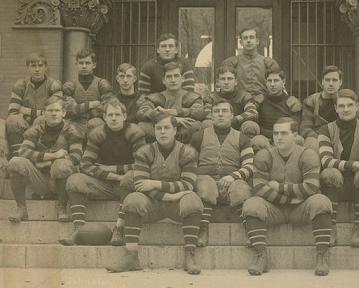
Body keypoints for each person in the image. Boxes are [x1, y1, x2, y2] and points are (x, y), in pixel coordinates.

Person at [105, 112, 203, 274]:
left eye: (166, 128)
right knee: (133, 199)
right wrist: (169, 195)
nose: (162, 132)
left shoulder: (187, 152)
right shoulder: (145, 151)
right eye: (159, 128)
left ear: (175, 130)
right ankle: (131, 256)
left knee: (192, 201)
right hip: (153, 205)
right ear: (154, 130)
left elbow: (188, 184)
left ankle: (189, 255)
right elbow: (141, 185)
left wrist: (155, 183)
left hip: (177, 206)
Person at [242, 117, 332, 276]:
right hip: (275, 209)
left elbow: (311, 188)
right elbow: (259, 188)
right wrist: (290, 198)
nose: (278, 137)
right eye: (276, 133)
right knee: (252, 204)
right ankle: (261, 256)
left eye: (284, 133)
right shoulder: (264, 155)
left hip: (301, 209)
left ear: (295, 135)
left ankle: (322, 256)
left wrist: (279, 187)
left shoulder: (308, 154)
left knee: (321, 201)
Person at [59, 99, 146, 246]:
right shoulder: (97, 134)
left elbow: (142, 165)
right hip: (104, 183)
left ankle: (119, 228)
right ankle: (79, 229)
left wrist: (109, 169)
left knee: (131, 177)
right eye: (110, 115)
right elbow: (85, 164)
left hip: (126, 186)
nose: (113, 118)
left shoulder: (135, 132)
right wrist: (113, 175)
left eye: (117, 115)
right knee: (75, 180)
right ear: (104, 117)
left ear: (124, 116)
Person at [318, 89, 359, 248]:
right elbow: (326, 160)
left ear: (357, 106)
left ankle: (358, 229)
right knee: (329, 172)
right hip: (335, 186)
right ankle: (331, 229)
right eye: (342, 106)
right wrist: (356, 164)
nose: (346, 109)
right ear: (336, 108)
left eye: (350, 105)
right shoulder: (325, 130)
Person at [8, 96, 83, 223]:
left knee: (62, 164)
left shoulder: (71, 131)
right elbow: (23, 152)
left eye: (57, 110)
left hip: (62, 181)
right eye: (50, 110)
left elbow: (76, 157)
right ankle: (21, 208)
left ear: (63, 113)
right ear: (43, 113)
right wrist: (52, 156)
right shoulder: (36, 130)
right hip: (40, 179)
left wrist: (48, 163)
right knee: (15, 162)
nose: (54, 113)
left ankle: (62, 207)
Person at [190, 98, 254, 247]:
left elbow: (250, 166)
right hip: (205, 183)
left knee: (242, 188)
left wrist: (233, 177)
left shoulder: (242, 138)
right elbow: (189, 164)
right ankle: (203, 230)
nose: (220, 114)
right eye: (216, 111)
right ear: (211, 115)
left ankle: (249, 231)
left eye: (224, 111)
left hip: (231, 184)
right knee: (205, 184)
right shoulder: (198, 136)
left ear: (231, 115)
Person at [6, 52, 63, 158]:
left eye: (40, 65)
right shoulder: (20, 85)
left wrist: (25, 111)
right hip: (25, 125)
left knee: (42, 119)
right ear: (28, 68)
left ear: (46, 67)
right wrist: (39, 112)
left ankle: (39, 155)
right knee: (13, 120)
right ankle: (17, 155)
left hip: (45, 127)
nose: (37, 69)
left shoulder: (54, 85)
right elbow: (12, 113)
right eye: (33, 66)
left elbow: (54, 112)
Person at [137, 62, 203, 143]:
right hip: (160, 134)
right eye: (169, 77)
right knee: (142, 126)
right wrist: (170, 118)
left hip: (184, 136)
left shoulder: (193, 96)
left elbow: (198, 111)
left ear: (182, 78)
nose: (173, 80)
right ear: (163, 80)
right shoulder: (155, 97)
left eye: (176, 76)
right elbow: (142, 112)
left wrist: (174, 112)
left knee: (195, 125)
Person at [63, 49, 115, 138]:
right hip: (75, 123)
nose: (84, 66)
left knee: (95, 123)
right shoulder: (70, 85)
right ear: (76, 64)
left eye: (87, 63)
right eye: (81, 63)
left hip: (96, 124)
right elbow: (67, 110)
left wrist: (80, 111)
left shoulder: (101, 84)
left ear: (94, 65)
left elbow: (107, 107)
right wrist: (90, 105)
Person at [251, 68, 303, 151]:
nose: (272, 84)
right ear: (266, 83)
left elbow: (295, 127)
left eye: (276, 80)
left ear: (283, 82)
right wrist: (271, 134)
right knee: (257, 141)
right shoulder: (259, 100)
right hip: (265, 138)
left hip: (285, 137)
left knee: (297, 139)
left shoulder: (292, 103)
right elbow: (255, 124)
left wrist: (280, 135)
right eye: (269, 81)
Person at [222, 28, 279, 100]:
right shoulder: (231, 62)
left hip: (264, 103)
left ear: (257, 41)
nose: (248, 40)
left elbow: (279, 85)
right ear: (240, 42)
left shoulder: (268, 62)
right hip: (239, 103)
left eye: (251, 37)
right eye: (245, 38)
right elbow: (223, 86)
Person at [202, 66, 259, 137]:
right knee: (207, 123)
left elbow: (252, 112)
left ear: (235, 82)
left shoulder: (244, 96)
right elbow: (207, 114)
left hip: (238, 133)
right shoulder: (211, 97)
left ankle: (245, 146)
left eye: (229, 79)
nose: (226, 82)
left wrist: (233, 120)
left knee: (250, 125)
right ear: (218, 82)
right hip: (217, 132)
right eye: (223, 79)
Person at [300, 66, 343, 153]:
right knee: (311, 143)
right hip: (317, 138)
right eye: (327, 80)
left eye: (334, 80)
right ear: (323, 82)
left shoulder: (346, 100)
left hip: (340, 137)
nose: (331, 83)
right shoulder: (311, 101)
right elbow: (305, 128)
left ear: (340, 82)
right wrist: (321, 138)